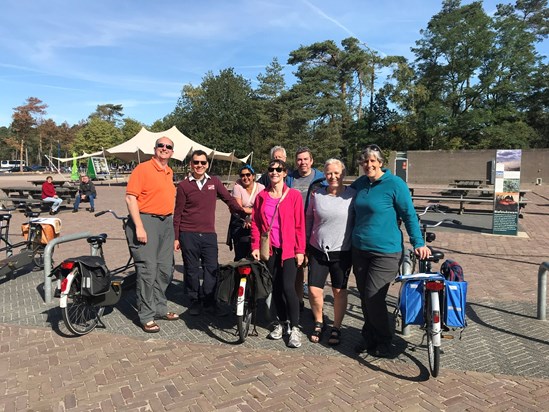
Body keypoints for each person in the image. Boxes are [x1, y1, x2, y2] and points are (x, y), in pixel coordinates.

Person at [351, 144, 430, 358]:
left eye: (372, 161)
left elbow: (409, 215)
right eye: (364, 161)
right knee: (364, 296)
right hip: (359, 249)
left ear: (380, 162)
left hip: (386, 251)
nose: (368, 165)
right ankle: (369, 337)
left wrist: (418, 243)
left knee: (373, 295)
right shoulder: (360, 184)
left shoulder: (395, 184)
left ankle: (386, 339)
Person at [173, 150, 244, 316]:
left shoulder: (214, 182)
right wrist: (176, 237)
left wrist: (243, 214)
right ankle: (195, 301)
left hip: (208, 234)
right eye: (196, 162)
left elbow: (229, 200)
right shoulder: (183, 186)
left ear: (207, 164)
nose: (199, 166)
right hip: (188, 233)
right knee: (191, 270)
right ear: (191, 164)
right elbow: (178, 213)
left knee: (211, 269)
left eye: (203, 163)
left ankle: (210, 301)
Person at [125, 137, 179, 333]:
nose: (164, 149)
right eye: (161, 146)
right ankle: (146, 315)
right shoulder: (143, 168)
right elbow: (131, 198)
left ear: (172, 152)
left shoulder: (168, 171)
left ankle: (160, 308)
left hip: (166, 222)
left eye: (168, 147)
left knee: (165, 269)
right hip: (146, 221)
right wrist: (139, 226)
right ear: (154, 148)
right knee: (148, 270)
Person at [251, 159, 306, 348]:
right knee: (275, 288)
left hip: (289, 250)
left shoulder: (294, 196)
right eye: (271, 169)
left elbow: (300, 225)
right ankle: (282, 323)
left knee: (289, 288)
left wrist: (300, 250)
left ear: (285, 173)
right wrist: (255, 246)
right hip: (270, 250)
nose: (274, 172)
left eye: (278, 169)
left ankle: (296, 327)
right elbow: (256, 224)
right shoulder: (262, 197)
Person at [305, 159, 355, 346]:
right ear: (324, 174)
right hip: (318, 249)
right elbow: (309, 219)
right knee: (314, 290)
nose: (333, 177)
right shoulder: (316, 194)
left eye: (336, 173)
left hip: (341, 252)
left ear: (343, 174)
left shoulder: (352, 196)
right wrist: (305, 244)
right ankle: (319, 321)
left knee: (338, 291)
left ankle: (337, 326)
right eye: (329, 173)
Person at [286, 147, 327, 311]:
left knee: (315, 271)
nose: (302, 162)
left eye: (305, 159)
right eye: (299, 159)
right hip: (294, 228)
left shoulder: (321, 179)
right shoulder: (289, 179)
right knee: (297, 267)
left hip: (315, 228)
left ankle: (317, 309)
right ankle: (299, 302)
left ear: (311, 161)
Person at [227, 164, 265, 260]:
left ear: (253, 176)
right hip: (240, 222)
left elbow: (263, 208)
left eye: (248, 175)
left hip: (256, 221)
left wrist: (251, 215)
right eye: (242, 175)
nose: (245, 177)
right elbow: (239, 209)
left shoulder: (261, 188)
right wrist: (253, 210)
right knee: (241, 254)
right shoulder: (237, 187)